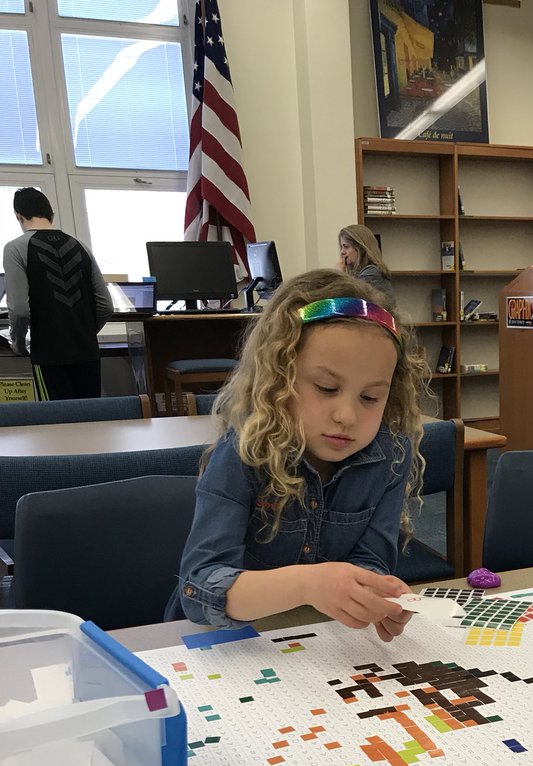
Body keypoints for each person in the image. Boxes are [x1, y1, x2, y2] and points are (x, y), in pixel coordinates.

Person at [165, 268, 428, 640]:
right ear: (278, 379)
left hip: (314, 642)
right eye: (325, 388)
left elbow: (371, 558)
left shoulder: (390, 455)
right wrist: (308, 585)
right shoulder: (243, 453)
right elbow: (199, 589)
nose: (347, 416)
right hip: (224, 645)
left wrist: (371, 593)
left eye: (370, 397)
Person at [2, 187, 113, 400]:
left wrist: (18, 344)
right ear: (50, 214)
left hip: (49, 354)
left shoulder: (15, 248)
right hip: (87, 350)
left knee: (58, 424)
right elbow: (105, 306)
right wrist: (84, 332)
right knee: (92, 419)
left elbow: (19, 309)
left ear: (18, 215)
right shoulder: (80, 245)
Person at [337, 224, 396, 304]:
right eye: (341, 247)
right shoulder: (363, 272)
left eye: (346, 247)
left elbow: (348, 301)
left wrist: (339, 275)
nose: (342, 252)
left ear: (361, 249)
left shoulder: (372, 273)